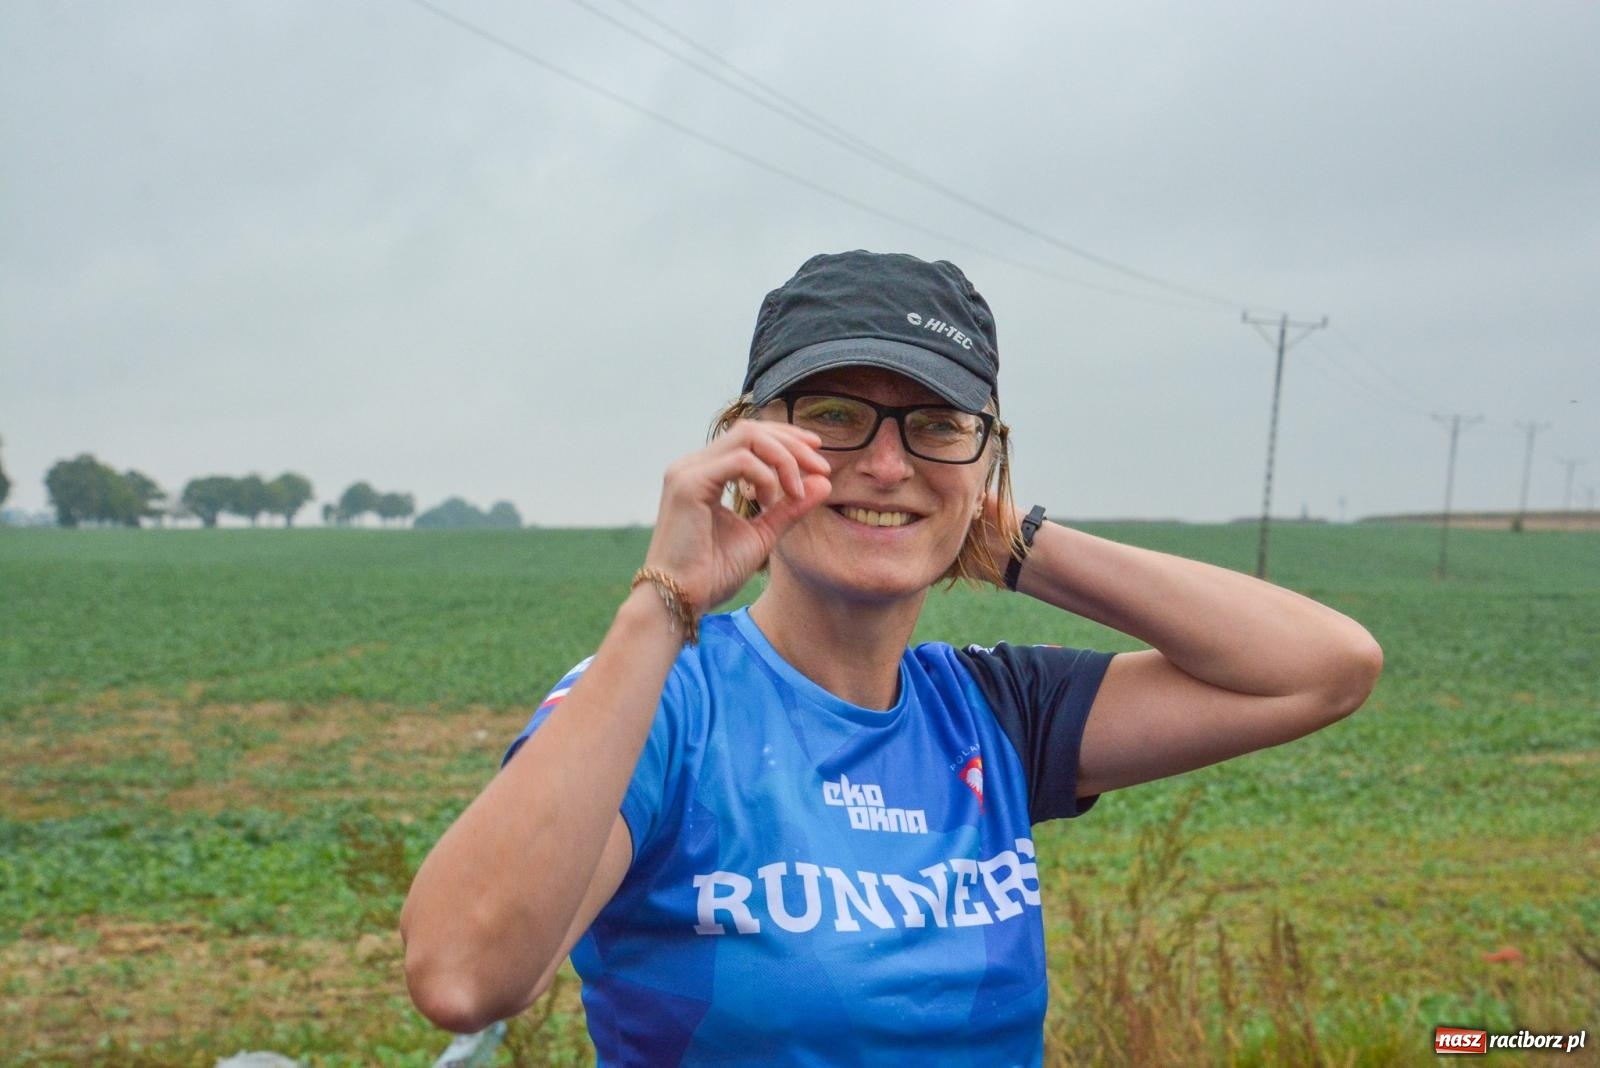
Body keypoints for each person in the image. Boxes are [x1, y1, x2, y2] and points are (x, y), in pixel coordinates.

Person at [400, 250, 1383, 1065]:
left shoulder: (995, 713)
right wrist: (666, 604)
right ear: (747, 440)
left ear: (987, 457)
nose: (882, 463)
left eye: (934, 425)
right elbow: (463, 974)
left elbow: (1321, 666)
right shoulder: (666, 705)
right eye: (834, 416)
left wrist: (998, 535)